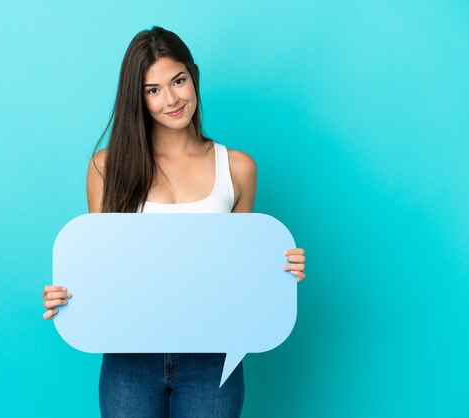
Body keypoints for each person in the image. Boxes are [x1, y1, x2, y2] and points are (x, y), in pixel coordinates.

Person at [41, 26, 306, 418]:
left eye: (178, 81)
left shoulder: (237, 168)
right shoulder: (105, 167)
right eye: (153, 89)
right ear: (138, 97)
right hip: (128, 356)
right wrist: (68, 295)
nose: (171, 99)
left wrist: (279, 270)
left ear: (193, 77)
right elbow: (100, 267)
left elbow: (239, 271)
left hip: (214, 358)